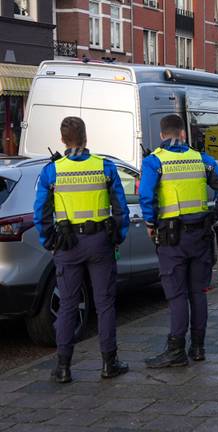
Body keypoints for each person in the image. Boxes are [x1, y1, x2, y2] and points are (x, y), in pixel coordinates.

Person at [33, 116, 130, 383]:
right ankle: (109, 363)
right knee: (105, 304)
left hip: (67, 245)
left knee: (67, 305)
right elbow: (120, 208)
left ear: (63, 139)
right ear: (86, 137)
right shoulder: (105, 167)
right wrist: (117, 237)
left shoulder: (52, 171)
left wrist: (49, 242)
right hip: (100, 242)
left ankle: (63, 368)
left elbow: (40, 212)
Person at [140, 114, 218, 368]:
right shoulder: (201, 159)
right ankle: (198, 348)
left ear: (162, 135)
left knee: (177, 295)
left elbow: (146, 197)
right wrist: (215, 214)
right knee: (198, 293)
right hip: (201, 236)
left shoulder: (154, 162)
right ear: (183, 134)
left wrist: (151, 224)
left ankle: (176, 351)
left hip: (172, 239)